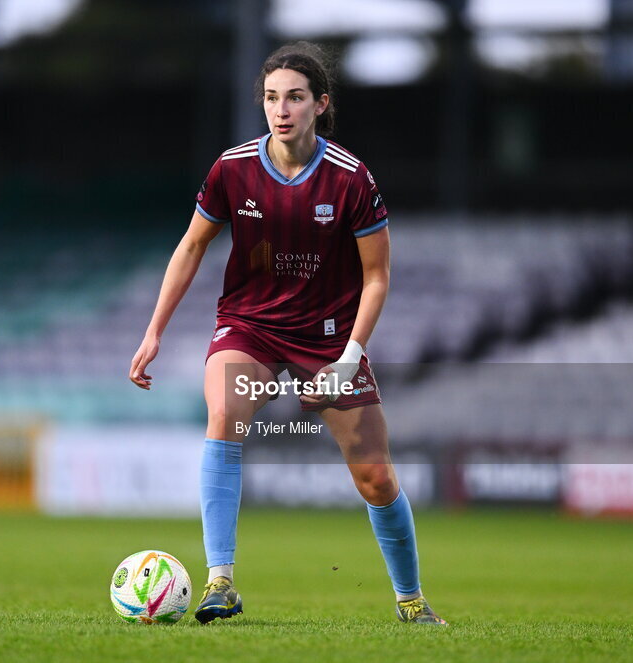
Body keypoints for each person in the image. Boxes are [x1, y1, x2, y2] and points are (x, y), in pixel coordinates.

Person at [129, 42, 447, 626]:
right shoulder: (233, 168)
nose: (282, 109)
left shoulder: (351, 179)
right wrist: (154, 332)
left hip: (329, 338)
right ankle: (219, 583)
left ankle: (411, 599)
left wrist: (350, 358)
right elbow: (193, 245)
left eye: (295, 97)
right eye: (272, 97)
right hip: (249, 326)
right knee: (223, 415)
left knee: (375, 477)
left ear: (320, 104)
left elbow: (377, 278)